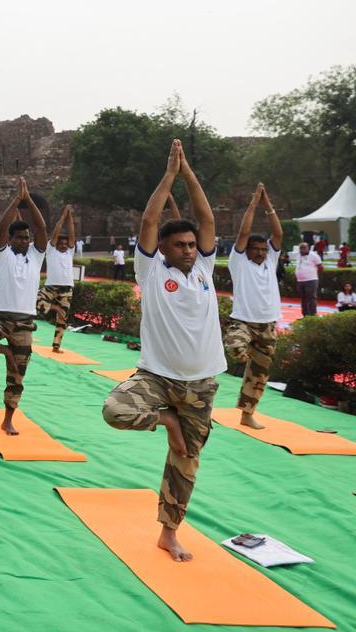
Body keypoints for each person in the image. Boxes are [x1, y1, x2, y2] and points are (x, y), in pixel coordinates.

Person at [102, 140, 224, 563]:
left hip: (200, 386)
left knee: (186, 462)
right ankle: (166, 419)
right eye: (180, 246)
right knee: (115, 411)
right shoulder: (150, 271)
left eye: (192, 245)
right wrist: (170, 174)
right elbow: (151, 218)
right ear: (164, 250)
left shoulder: (205, 268)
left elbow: (205, 217)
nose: (189, 250)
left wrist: (189, 173)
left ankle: (169, 533)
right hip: (156, 379)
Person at [0, 177, 48, 436]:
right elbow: (2, 229)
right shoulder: (2, 256)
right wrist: (16, 200)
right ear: (11, 240)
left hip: (24, 324)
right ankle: (5, 352)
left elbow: (41, 228)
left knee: (17, 379)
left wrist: (29, 202)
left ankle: (8, 419)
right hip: (0, 319)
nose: (24, 241)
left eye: (26, 237)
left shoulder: (35, 258)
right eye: (19, 237)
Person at [224, 184, 283, 429]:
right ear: (245, 251)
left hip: (268, 325)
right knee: (237, 349)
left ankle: (247, 415)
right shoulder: (239, 262)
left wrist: (267, 205)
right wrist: (253, 204)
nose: (260, 253)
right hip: (243, 322)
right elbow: (243, 233)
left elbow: (278, 234)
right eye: (255, 250)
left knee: (259, 375)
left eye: (263, 250)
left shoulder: (270, 261)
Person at [36, 206, 76, 352]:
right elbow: (56, 232)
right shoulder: (51, 250)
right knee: (38, 303)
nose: (64, 245)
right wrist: (63, 216)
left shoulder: (69, 252)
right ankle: (55, 308)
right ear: (56, 244)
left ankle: (56, 346)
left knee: (62, 319)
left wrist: (70, 217)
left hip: (66, 290)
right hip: (51, 287)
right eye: (61, 244)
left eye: (66, 244)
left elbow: (72, 234)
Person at [295, 242, 323, 317]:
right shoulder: (298, 255)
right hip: (300, 281)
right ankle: (305, 315)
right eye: (301, 248)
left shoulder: (314, 256)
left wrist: (312, 274)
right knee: (303, 298)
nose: (302, 250)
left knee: (311, 298)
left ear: (308, 248)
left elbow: (320, 267)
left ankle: (313, 314)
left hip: (311, 280)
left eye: (304, 248)